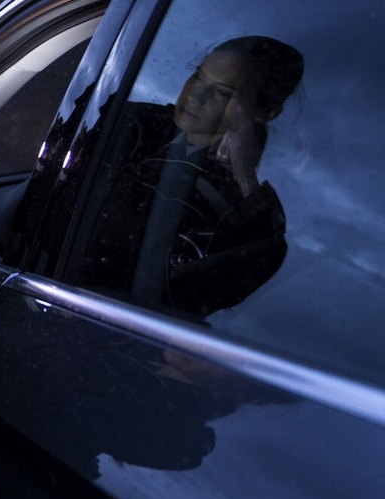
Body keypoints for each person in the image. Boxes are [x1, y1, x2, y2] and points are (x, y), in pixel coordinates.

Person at [85, 35, 305, 316]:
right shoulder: (128, 123)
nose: (195, 95)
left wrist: (245, 175)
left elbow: (250, 267)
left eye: (221, 92)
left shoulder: (252, 205)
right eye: (198, 76)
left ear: (267, 112)